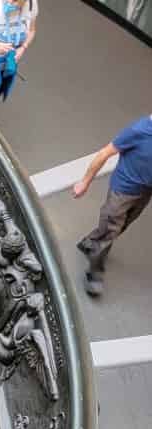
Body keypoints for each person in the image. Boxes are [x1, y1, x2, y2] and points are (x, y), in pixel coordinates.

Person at [74, 114, 152, 297]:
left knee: (122, 226)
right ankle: (94, 274)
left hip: (145, 192)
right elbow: (105, 153)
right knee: (111, 232)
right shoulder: (138, 131)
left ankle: (90, 242)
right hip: (122, 191)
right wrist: (84, 182)